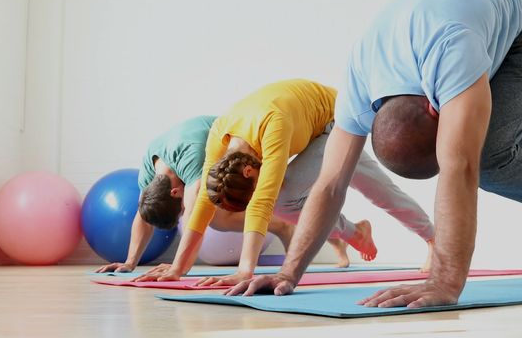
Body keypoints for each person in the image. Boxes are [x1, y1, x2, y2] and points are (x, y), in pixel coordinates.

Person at [228, 0, 522, 308]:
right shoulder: (357, 91)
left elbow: (461, 167)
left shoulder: (452, 56)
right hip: (472, 27)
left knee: (488, 156)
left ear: (439, 111)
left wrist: (445, 283)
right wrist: (288, 273)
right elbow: (330, 184)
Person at [135, 79, 436, 287]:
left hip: (337, 120)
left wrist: (245, 271)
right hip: (309, 128)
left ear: (250, 174)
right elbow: (200, 205)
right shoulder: (219, 135)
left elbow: (261, 205)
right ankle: (355, 231)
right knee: (302, 197)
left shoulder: (272, 129)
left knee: (375, 192)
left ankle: (433, 240)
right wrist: (178, 268)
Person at [94, 115, 353, 274]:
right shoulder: (151, 173)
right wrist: (129, 262)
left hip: (248, 148)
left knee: (266, 205)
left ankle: (296, 228)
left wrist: (178, 268)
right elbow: (143, 214)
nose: (183, 211)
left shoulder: (190, 158)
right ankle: (331, 233)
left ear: (176, 191)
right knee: (278, 204)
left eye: (180, 208)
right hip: (223, 156)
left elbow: (197, 214)